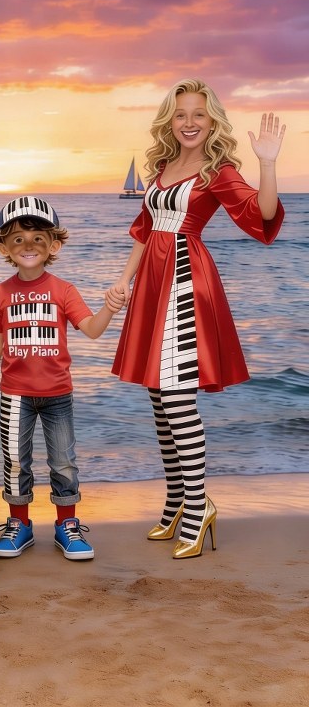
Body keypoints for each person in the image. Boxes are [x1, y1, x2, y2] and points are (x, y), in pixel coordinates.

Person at [107, 78, 285, 559]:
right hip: (151, 283)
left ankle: (198, 507)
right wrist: (124, 280)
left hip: (186, 281)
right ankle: (174, 506)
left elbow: (261, 212)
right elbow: (144, 231)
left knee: (178, 398)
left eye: (198, 115)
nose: (189, 123)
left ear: (213, 122)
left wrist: (267, 162)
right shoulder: (164, 167)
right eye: (181, 114)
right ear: (170, 120)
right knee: (158, 398)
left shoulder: (217, 170)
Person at [0, 197, 123, 561]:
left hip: (58, 394)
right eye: (18, 239)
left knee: (63, 461)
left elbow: (90, 329)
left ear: (54, 245)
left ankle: (67, 526)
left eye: (38, 239)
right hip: (15, 395)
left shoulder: (63, 290)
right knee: (14, 460)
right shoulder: (1, 293)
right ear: (3, 247)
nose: (28, 246)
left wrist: (109, 307)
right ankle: (19, 525)